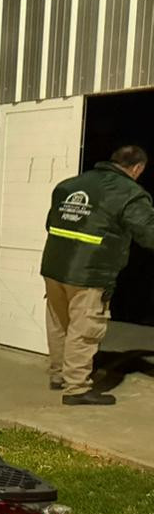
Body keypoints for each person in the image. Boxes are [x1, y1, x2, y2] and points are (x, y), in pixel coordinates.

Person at [39, 144, 154, 406]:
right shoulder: (129, 193)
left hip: (54, 266)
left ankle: (59, 374)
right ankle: (77, 388)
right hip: (90, 272)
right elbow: (149, 232)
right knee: (85, 328)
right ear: (138, 168)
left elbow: (51, 223)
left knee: (60, 324)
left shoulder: (69, 185)